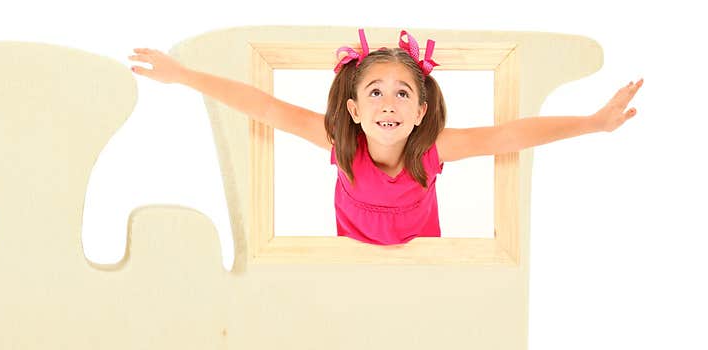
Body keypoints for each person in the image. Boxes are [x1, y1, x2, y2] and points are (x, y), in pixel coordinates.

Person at [129, 29, 642, 245]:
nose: (388, 103)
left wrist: (591, 123)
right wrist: (184, 76)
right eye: (374, 91)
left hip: (420, 276)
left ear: (420, 111)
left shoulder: (434, 150)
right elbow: (263, 105)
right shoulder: (339, 142)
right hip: (356, 275)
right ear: (353, 109)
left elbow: (510, 135)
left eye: (401, 94)